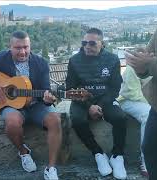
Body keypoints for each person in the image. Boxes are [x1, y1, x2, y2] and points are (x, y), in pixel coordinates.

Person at [0, 31, 62, 180]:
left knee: (55, 120)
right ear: (10, 47)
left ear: (30, 46)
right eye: (18, 48)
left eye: (26, 47)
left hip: (36, 104)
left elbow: (46, 91)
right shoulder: (1, 59)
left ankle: (51, 168)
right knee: (12, 121)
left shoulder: (41, 63)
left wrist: (48, 99)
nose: (23, 51)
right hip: (11, 105)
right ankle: (23, 152)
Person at [66, 28, 127, 179]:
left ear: (102, 44)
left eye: (92, 43)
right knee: (78, 120)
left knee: (120, 118)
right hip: (82, 100)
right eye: (84, 43)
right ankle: (98, 153)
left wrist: (100, 105)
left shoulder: (112, 59)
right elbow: (70, 88)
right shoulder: (74, 60)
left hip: (105, 99)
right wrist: (89, 106)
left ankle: (117, 155)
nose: (87, 46)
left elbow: (115, 87)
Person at [126, 24, 157, 180]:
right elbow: (147, 58)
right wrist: (140, 66)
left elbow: (150, 62)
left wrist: (150, 64)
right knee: (150, 149)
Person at [117, 65, 151, 176]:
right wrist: (155, 104)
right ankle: (146, 159)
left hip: (150, 101)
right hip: (128, 101)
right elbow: (132, 93)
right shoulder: (133, 67)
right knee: (150, 115)